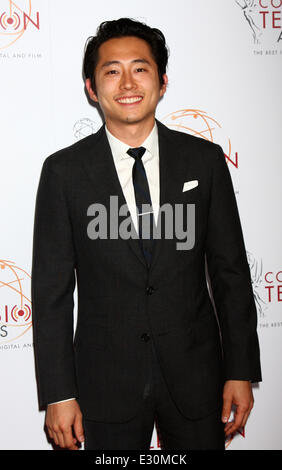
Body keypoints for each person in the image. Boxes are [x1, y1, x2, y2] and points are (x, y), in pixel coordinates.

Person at [31, 17, 262, 451]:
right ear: (91, 86)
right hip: (104, 382)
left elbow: (230, 272)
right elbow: (52, 293)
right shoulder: (63, 173)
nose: (127, 83)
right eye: (111, 71)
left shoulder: (205, 162)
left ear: (162, 80)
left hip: (197, 377)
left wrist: (240, 369)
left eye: (140, 68)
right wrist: (60, 393)